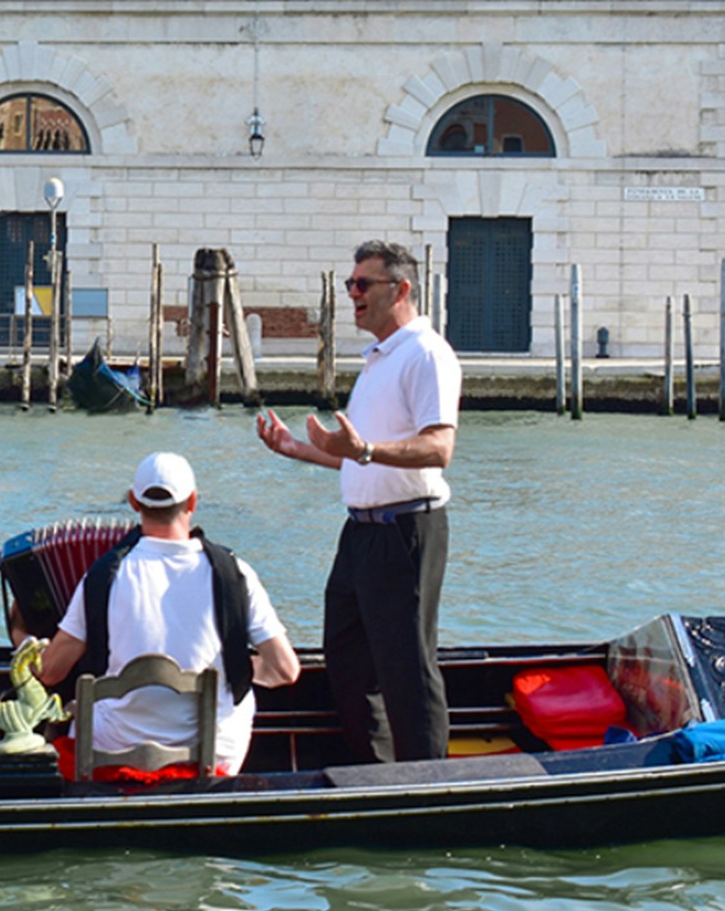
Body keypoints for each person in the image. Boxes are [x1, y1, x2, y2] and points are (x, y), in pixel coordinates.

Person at [255, 239, 462, 764]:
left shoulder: (426, 353)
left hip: (406, 531)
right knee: (347, 659)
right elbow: (360, 460)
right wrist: (299, 449)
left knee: (406, 668)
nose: (353, 294)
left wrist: (364, 448)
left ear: (402, 289)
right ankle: (376, 769)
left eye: (363, 284)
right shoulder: (378, 360)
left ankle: (427, 783)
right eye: (350, 284)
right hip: (362, 534)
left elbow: (439, 449)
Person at [34, 452, 299, 776]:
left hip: (112, 754)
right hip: (216, 759)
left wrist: (22, 636)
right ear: (192, 502)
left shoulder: (103, 576)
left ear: (133, 501)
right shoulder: (236, 573)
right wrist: (234, 667)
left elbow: (50, 673)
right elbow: (286, 671)